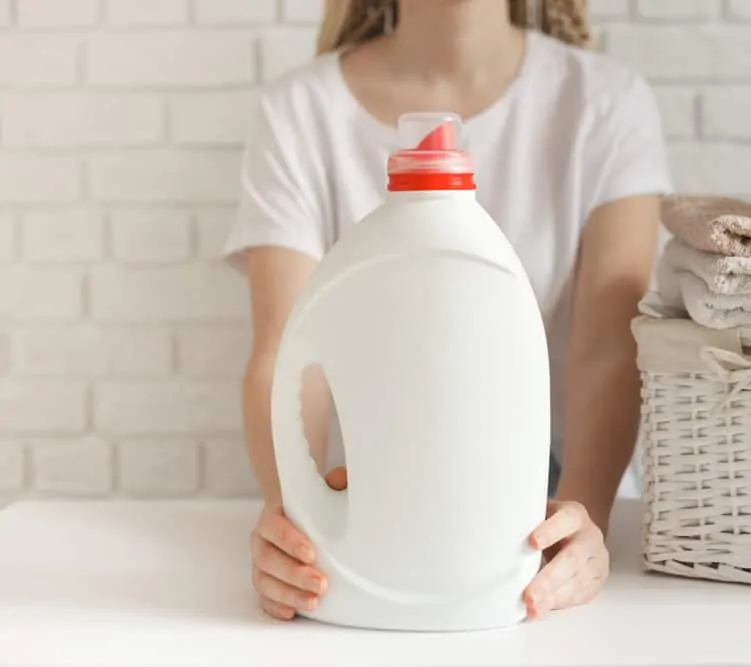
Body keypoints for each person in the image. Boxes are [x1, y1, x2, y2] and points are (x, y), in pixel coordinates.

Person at [224, 0, 671, 623]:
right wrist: (297, 531)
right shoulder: (300, 111)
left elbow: (608, 350)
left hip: (549, 515)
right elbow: (289, 351)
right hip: (378, 525)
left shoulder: (604, 102)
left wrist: (576, 530)